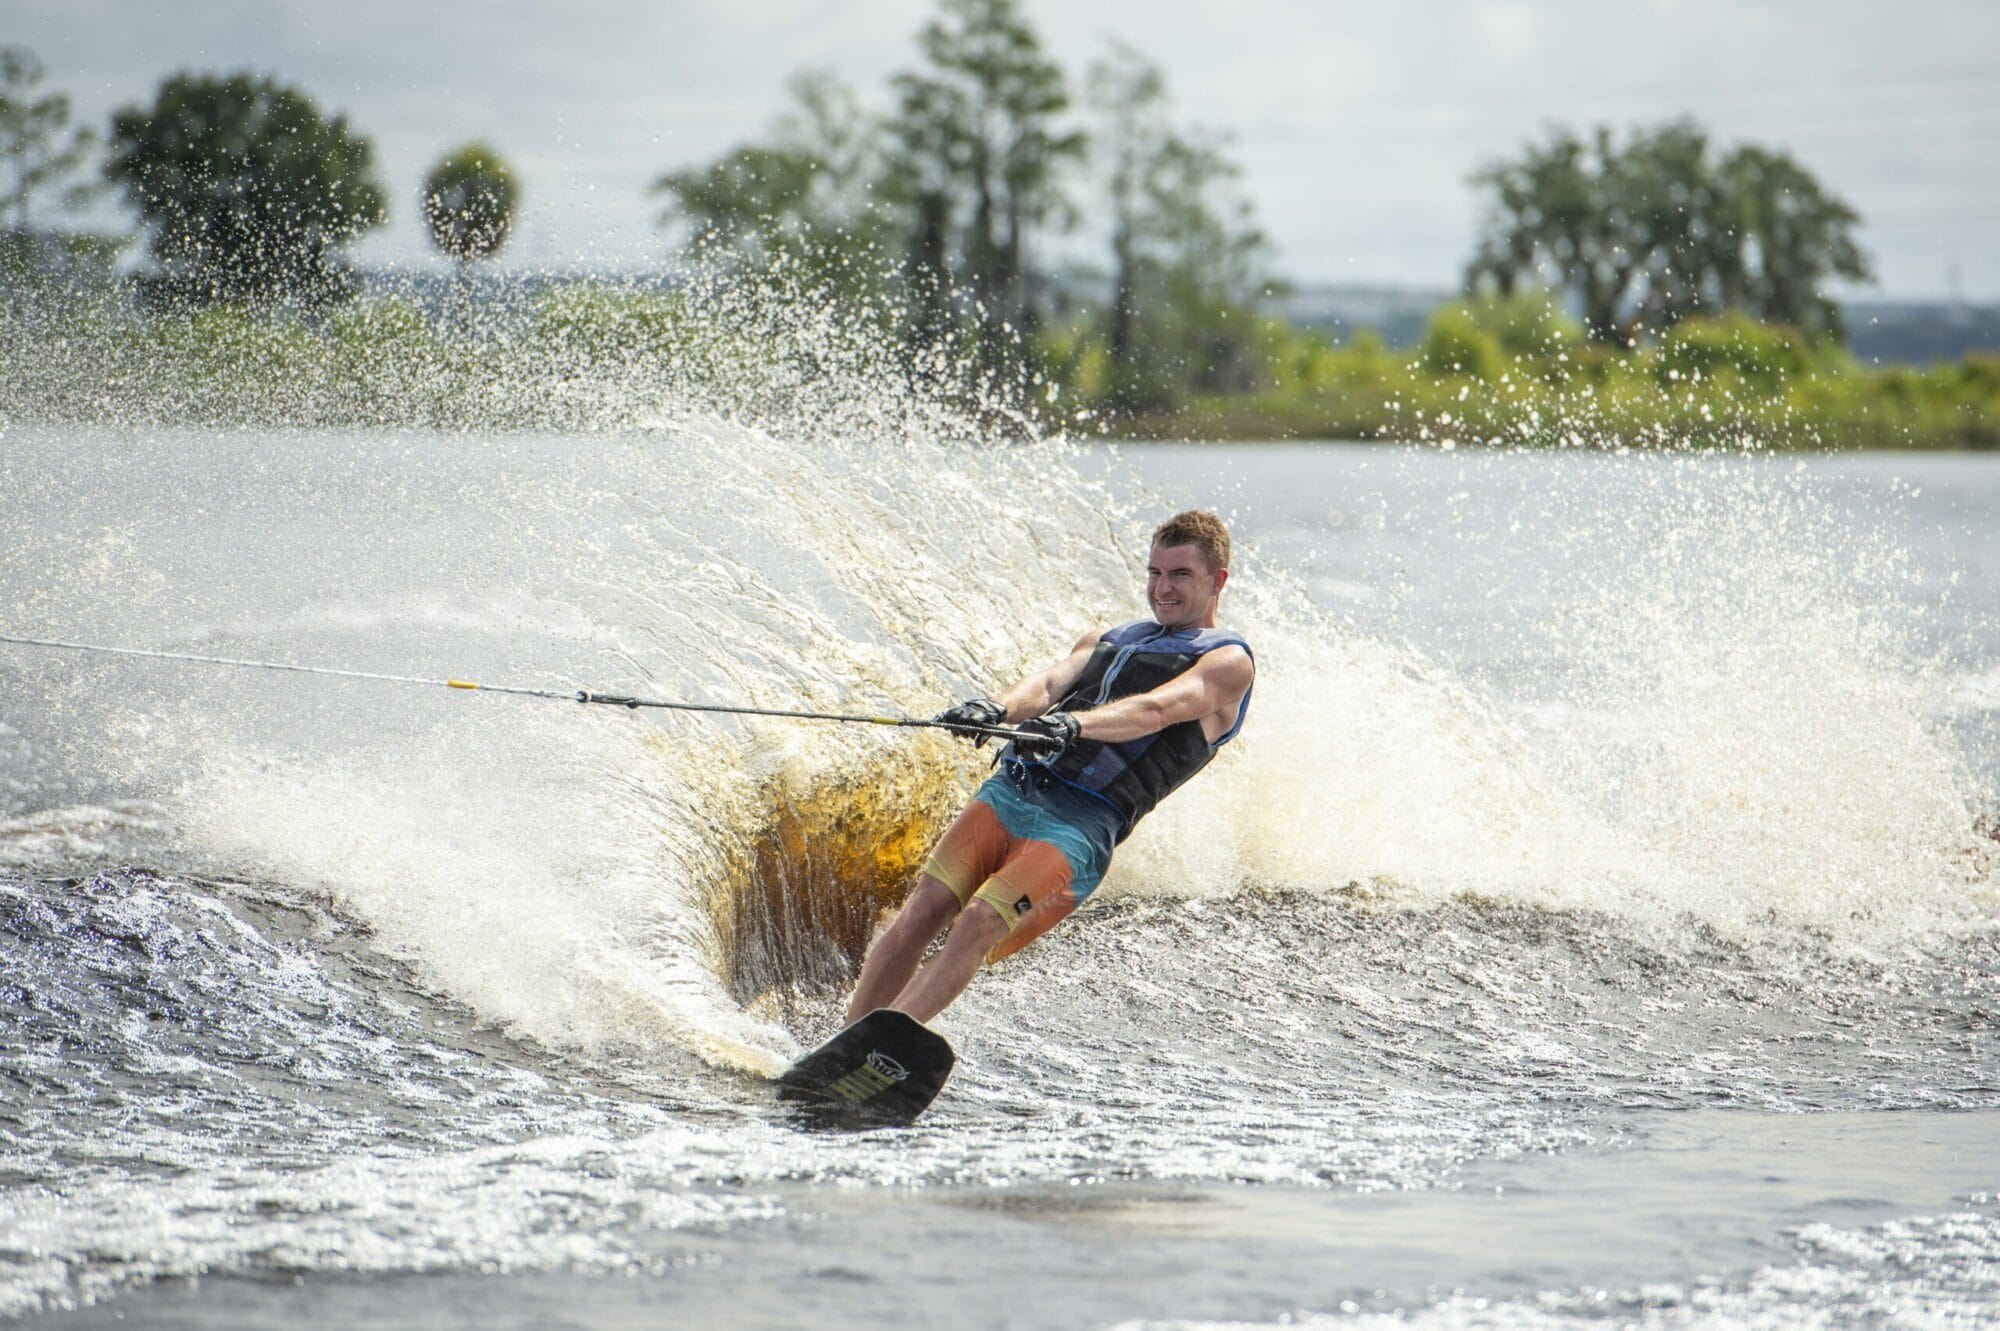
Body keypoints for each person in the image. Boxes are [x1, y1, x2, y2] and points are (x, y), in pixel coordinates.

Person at [842, 510, 1255, 1027]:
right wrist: (995, 709)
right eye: (1154, 572)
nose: (1161, 588)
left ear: (1217, 581)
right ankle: (842, 1043)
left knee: (979, 921)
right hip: (1012, 789)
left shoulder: (1227, 663)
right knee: (924, 909)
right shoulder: (1108, 636)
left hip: (1079, 825)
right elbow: (1048, 684)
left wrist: (1073, 725)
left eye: (1180, 575)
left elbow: (1158, 709)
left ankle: (878, 1043)